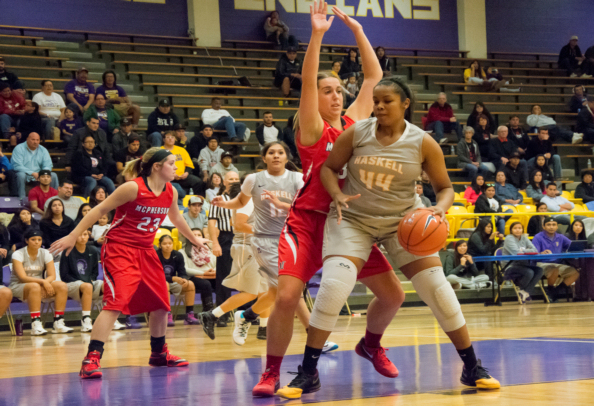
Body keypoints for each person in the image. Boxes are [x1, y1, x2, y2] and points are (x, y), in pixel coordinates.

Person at [302, 65, 500, 400]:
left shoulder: (423, 142)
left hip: (402, 224)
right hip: (354, 220)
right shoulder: (357, 133)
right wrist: (335, 193)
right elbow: (329, 169)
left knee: (437, 289)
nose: (378, 106)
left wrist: (439, 208)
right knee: (335, 286)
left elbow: (445, 188)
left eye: (386, 101)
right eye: (375, 101)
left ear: (405, 103)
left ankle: (471, 367)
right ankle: (307, 372)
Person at [253, 4, 413, 397]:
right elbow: (308, 80)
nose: (336, 96)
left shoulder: (355, 122)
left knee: (393, 295)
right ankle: (271, 372)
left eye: (340, 90)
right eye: (329, 91)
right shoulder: (312, 125)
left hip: (349, 224)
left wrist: (359, 31)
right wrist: (318, 34)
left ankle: (371, 344)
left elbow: (374, 76)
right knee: (289, 296)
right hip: (309, 222)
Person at [49, 147, 209, 379]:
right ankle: (91, 358)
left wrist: (194, 239)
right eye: (172, 163)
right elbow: (100, 209)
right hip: (119, 249)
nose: (176, 167)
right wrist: (74, 235)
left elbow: (175, 217)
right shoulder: (133, 187)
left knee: (161, 303)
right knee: (116, 303)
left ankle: (158, 353)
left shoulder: (171, 191)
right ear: (157, 166)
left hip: (145, 250)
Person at [208, 142, 304, 346]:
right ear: (264, 158)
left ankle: (249, 318)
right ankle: (224, 315)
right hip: (254, 243)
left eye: (280, 152)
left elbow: (301, 209)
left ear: (287, 158)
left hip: (285, 241)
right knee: (281, 288)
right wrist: (225, 204)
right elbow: (240, 222)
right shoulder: (255, 188)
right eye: (271, 153)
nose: (276, 156)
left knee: (271, 291)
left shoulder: (295, 181)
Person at [198, 182, 264, 340]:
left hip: (255, 246)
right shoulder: (246, 202)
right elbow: (238, 224)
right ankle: (215, 315)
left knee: (265, 291)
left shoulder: (251, 201)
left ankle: (264, 327)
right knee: (250, 291)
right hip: (246, 246)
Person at [9, 228, 74, 335]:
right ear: (26, 241)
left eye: (39, 239)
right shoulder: (18, 254)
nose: (37, 242)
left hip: (38, 285)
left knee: (61, 285)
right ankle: (35, 324)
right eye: (33, 239)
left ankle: (58, 322)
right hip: (18, 286)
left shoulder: (46, 253)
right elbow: (22, 277)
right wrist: (43, 282)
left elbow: (52, 275)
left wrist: (45, 282)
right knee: (34, 286)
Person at [60, 229, 111, 332]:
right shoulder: (67, 251)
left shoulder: (92, 250)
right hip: (72, 285)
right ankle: (86, 320)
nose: (83, 237)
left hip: (88, 284)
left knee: (108, 285)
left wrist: (89, 281)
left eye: (85, 235)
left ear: (88, 236)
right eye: (80, 235)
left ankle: (110, 320)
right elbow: (64, 275)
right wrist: (82, 283)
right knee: (87, 286)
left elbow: (94, 272)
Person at [207, 171, 239, 326]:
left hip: (243, 237)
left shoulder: (244, 199)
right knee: (224, 277)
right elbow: (212, 223)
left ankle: (247, 313)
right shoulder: (217, 200)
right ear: (224, 182)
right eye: (231, 179)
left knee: (248, 274)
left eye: (236, 179)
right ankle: (221, 315)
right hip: (225, 238)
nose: (234, 181)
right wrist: (215, 242)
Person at [155, 235, 200, 326]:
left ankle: (189, 315)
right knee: (165, 284)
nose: (168, 246)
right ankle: (167, 314)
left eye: (170, 243)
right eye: (164, 244)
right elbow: (156, 275)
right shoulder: (155, 255)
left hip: (172, 282)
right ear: (160, 245)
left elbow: (182, 272)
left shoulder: (178, 255)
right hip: (157, 283)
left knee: (190, 284)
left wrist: (183, 279)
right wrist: (172, 278)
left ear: (173, 244)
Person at [532, 217, 579, 301]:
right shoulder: (538, 237)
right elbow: (534, 253)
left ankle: (554, 292)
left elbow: (573, 246)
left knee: (575, 273)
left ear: (557, 227)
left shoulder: (560, 237)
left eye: (554, 225)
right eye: (548, 225)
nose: (551, 227)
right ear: (544, 226)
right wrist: (541, 253)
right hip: (541, 263)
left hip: (557, 263)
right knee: (554, 269)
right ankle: (550, 289)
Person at [502, 222, 544, 303]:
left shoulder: (524, 238)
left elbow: (535, 250)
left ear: (522, 229)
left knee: (539, 270)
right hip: (509, 266)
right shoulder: (508, 238)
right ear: (511, 230)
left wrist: (522, 250)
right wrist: (526, 250)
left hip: (523, 265)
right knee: (529, 272)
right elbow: (515, 252)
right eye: (515, 228)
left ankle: (525, 292)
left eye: (519, 228)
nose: (517, 230)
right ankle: (522, 291)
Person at [11, 132, 59, 199]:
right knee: (21, 175)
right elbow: (16, 166)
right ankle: (21, 199)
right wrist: (32, 173)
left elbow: (48, 164)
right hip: (25, 174)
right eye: (33, 139)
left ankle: (54, 199)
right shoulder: (19, 148)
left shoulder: (43, 150)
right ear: (27, 139)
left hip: (39, 175)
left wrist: (42, 174)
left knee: (53, 175)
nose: (35, 142)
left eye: (37, 140)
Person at [180, 228, 216, 313]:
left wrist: (214, 271)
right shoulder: (182, 252)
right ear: (189, 237)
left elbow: (218, 265)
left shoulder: (210, 251)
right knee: (205, 284)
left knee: (223, 282)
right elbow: (185, 269)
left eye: (199, 235)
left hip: (211, 276)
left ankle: (223, 313)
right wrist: (203, 273)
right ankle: (208, 311)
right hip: (193, 278)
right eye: (194, 235)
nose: (197, 237)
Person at [162, 131, 204, 196]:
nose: (170, 139)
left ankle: (198, 201)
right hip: (167, 178)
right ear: (164, 139)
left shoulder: (181, 150)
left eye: (172, 137)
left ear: (175, 139)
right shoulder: (159, 150)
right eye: (168, 137)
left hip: (182, 177)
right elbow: (159, 167)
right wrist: (171, 175)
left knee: (198, 182)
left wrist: (186, 173)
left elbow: (189, 165)